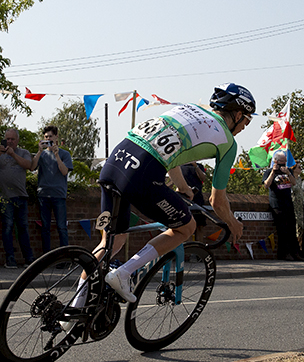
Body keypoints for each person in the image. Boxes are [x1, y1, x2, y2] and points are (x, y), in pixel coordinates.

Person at [77, 83, 254, 306]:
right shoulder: (228, 142)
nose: (245, 127)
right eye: (247, 121)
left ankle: (74, 307)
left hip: (114, 162)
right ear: (238, 114)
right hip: (141, 173)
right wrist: (231, 223)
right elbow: (216, 201)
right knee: (185, 228)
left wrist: (183, 188)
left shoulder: (187, 109)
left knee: (110, 242)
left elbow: (168, 153)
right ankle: (124, 273)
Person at [0, 128, 35, 268]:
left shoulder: (23, 153)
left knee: (23, 227)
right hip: (4, 197)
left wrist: (13, 155)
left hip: (21, 196)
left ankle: (28, 258)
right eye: (8, 139)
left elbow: (29, 166)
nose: (10, 141)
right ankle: (10, 258)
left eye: (12, 139)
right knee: (7, 227)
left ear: (17, 140)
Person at [31, 125, 74, 253]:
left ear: (56, 137)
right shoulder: (42, 154)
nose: (48, 139)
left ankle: (65, 257)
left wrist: (56, 155)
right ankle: (46, 257)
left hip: (59, 195)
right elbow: (32, 167)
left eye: (50, 136)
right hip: (43, 195)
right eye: (46, 137)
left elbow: (64, 171)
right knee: (45, 227)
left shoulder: (64, 154)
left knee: (61, 227)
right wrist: (39, 151)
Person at [262, 150, 303, 261]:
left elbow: (293, 183)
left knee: (291, 229)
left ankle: (295, 252)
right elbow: (266, 185)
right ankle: (284, 254)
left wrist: (288, 173)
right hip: (277, 204)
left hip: (288, 203)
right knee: (282, 230)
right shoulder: (268, 171)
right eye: (281, 162)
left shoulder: (288, 170)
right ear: (275, 161)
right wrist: (273, 172)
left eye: (285, 162)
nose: (283, 165)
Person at [179, 161, 207, 242]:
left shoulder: (199, 166)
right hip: (184, 200)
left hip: (198, 199)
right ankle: (191, 249)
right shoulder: (180, 166)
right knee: (187, 226)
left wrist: (195, 165)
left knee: (200, 226)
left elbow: (203, 178)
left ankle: (198, 249)